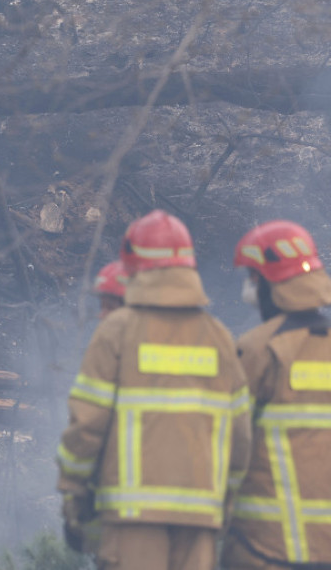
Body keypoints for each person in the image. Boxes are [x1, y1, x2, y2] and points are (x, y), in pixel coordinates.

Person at [56, 209, 251, 570]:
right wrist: (225, 502)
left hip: (132, 519)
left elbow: (86, 425)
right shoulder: (219, 338)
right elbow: (240, 436)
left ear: (133, 268)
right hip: (199, 522)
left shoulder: (118, 331)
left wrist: (74, 493)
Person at [222, 220, 331, 569]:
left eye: (253, 277)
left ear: (270, 282)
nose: (250, 287)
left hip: (267, 549)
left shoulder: (259, 350)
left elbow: (225, 444)